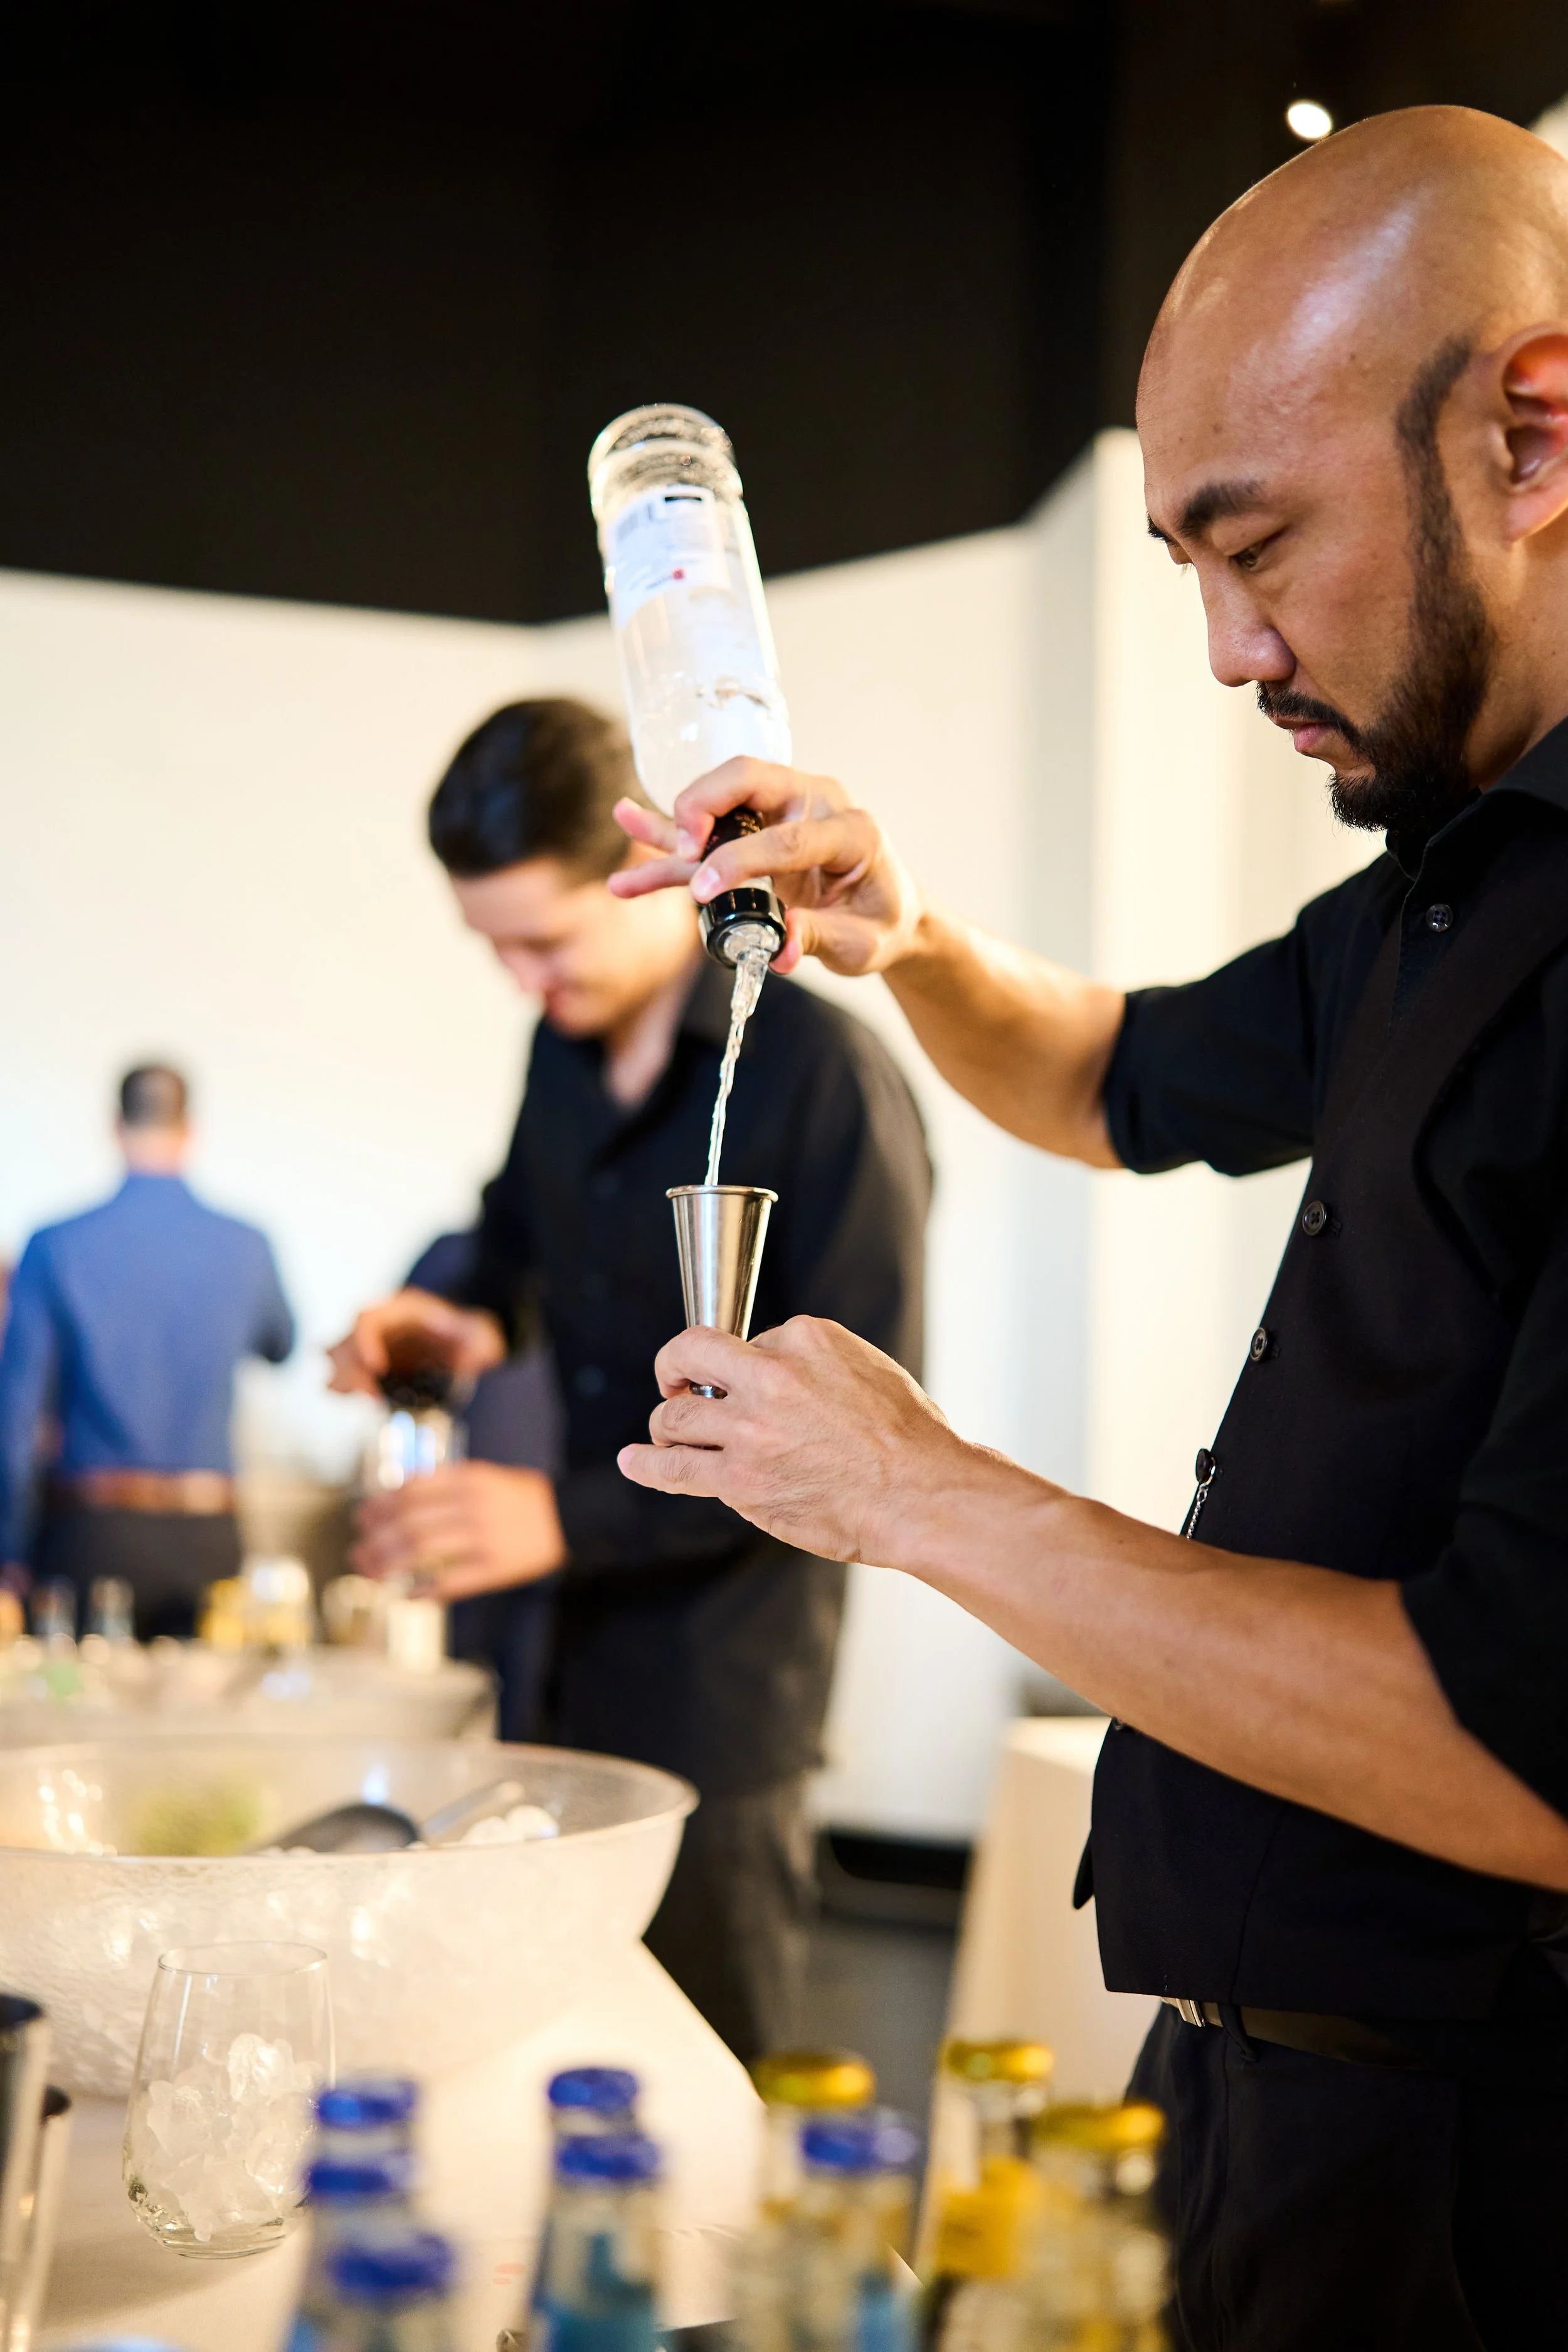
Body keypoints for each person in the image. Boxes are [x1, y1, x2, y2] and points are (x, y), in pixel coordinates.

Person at [608, 107, 1568, 2351]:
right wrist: (902, 927)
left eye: (1262, 545)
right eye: (1182, 569)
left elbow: (1530, 1761)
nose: (1233, 649)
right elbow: (1111, 1077)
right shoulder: (1444, 882)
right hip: (1257, 2103)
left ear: (1533, 429)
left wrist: (921, 1491)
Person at [328, 697, 930, 2062]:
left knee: (708, 2078)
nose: (524, 982)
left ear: (646, 872)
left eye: (542, 941)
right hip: (563, 1670)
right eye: (495, 951)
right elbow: (511, 1231)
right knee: (561, 2057)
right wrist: (448, 1310)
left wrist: (556, 1517)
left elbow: (865, 1440)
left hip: (722, 1694)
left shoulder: (824, 1085)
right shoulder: (557, 1050)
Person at [0, 1064, 294, 1636]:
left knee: (75, 1717)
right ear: (191, 1131)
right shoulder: (246, 1245)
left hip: (87, 1536)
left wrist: (8, 1547)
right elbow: (279, 1345)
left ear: (115, 1127)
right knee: (205, 1722)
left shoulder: (54, 1244)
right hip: (210, 1534)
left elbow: (15, 1415)